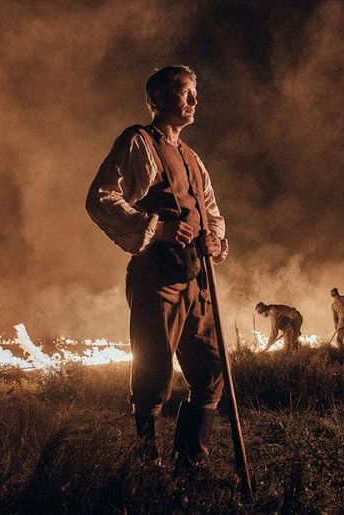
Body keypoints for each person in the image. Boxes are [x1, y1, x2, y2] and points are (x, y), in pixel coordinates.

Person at [86, 65, 228, 468]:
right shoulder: (139, 142)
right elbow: (101, 197)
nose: (194, 101)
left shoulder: (192, 157)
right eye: (186, 93)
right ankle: (145, 465)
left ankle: (189, 462)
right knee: (153, 375)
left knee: (212, 370)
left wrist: (214, 239)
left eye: (195, 93)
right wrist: (159, 229)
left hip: (197, 279)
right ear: (159, 98)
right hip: (157, 277)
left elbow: (211, 209)